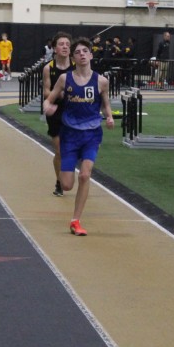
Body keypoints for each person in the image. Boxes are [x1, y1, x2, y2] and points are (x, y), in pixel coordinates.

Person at [42, 37, 115, 235]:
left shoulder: (101, 81)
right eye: (77, 52)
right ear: (73, 58)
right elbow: (49, 99)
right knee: (66, 185)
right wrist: (48, 106)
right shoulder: (65, 79)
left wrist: (109, 117)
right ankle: (65, 177)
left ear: (91, 55)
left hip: (92, 134)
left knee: (85, 175)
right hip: (70, 135)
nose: (82, 54)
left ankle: (76, 220)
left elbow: (106, 104)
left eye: (85, 51)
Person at [43, 32, 74, 197]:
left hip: (74, 111)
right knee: (60, 151)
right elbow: (46, 91)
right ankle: (59, 181)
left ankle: (71, 175)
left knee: (73, 150)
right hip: (55, 110)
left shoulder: (76, 66)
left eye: (67, 44)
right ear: (55, 48)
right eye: (61, 44)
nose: (65, 47)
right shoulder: (48, 68)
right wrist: (58, 94)